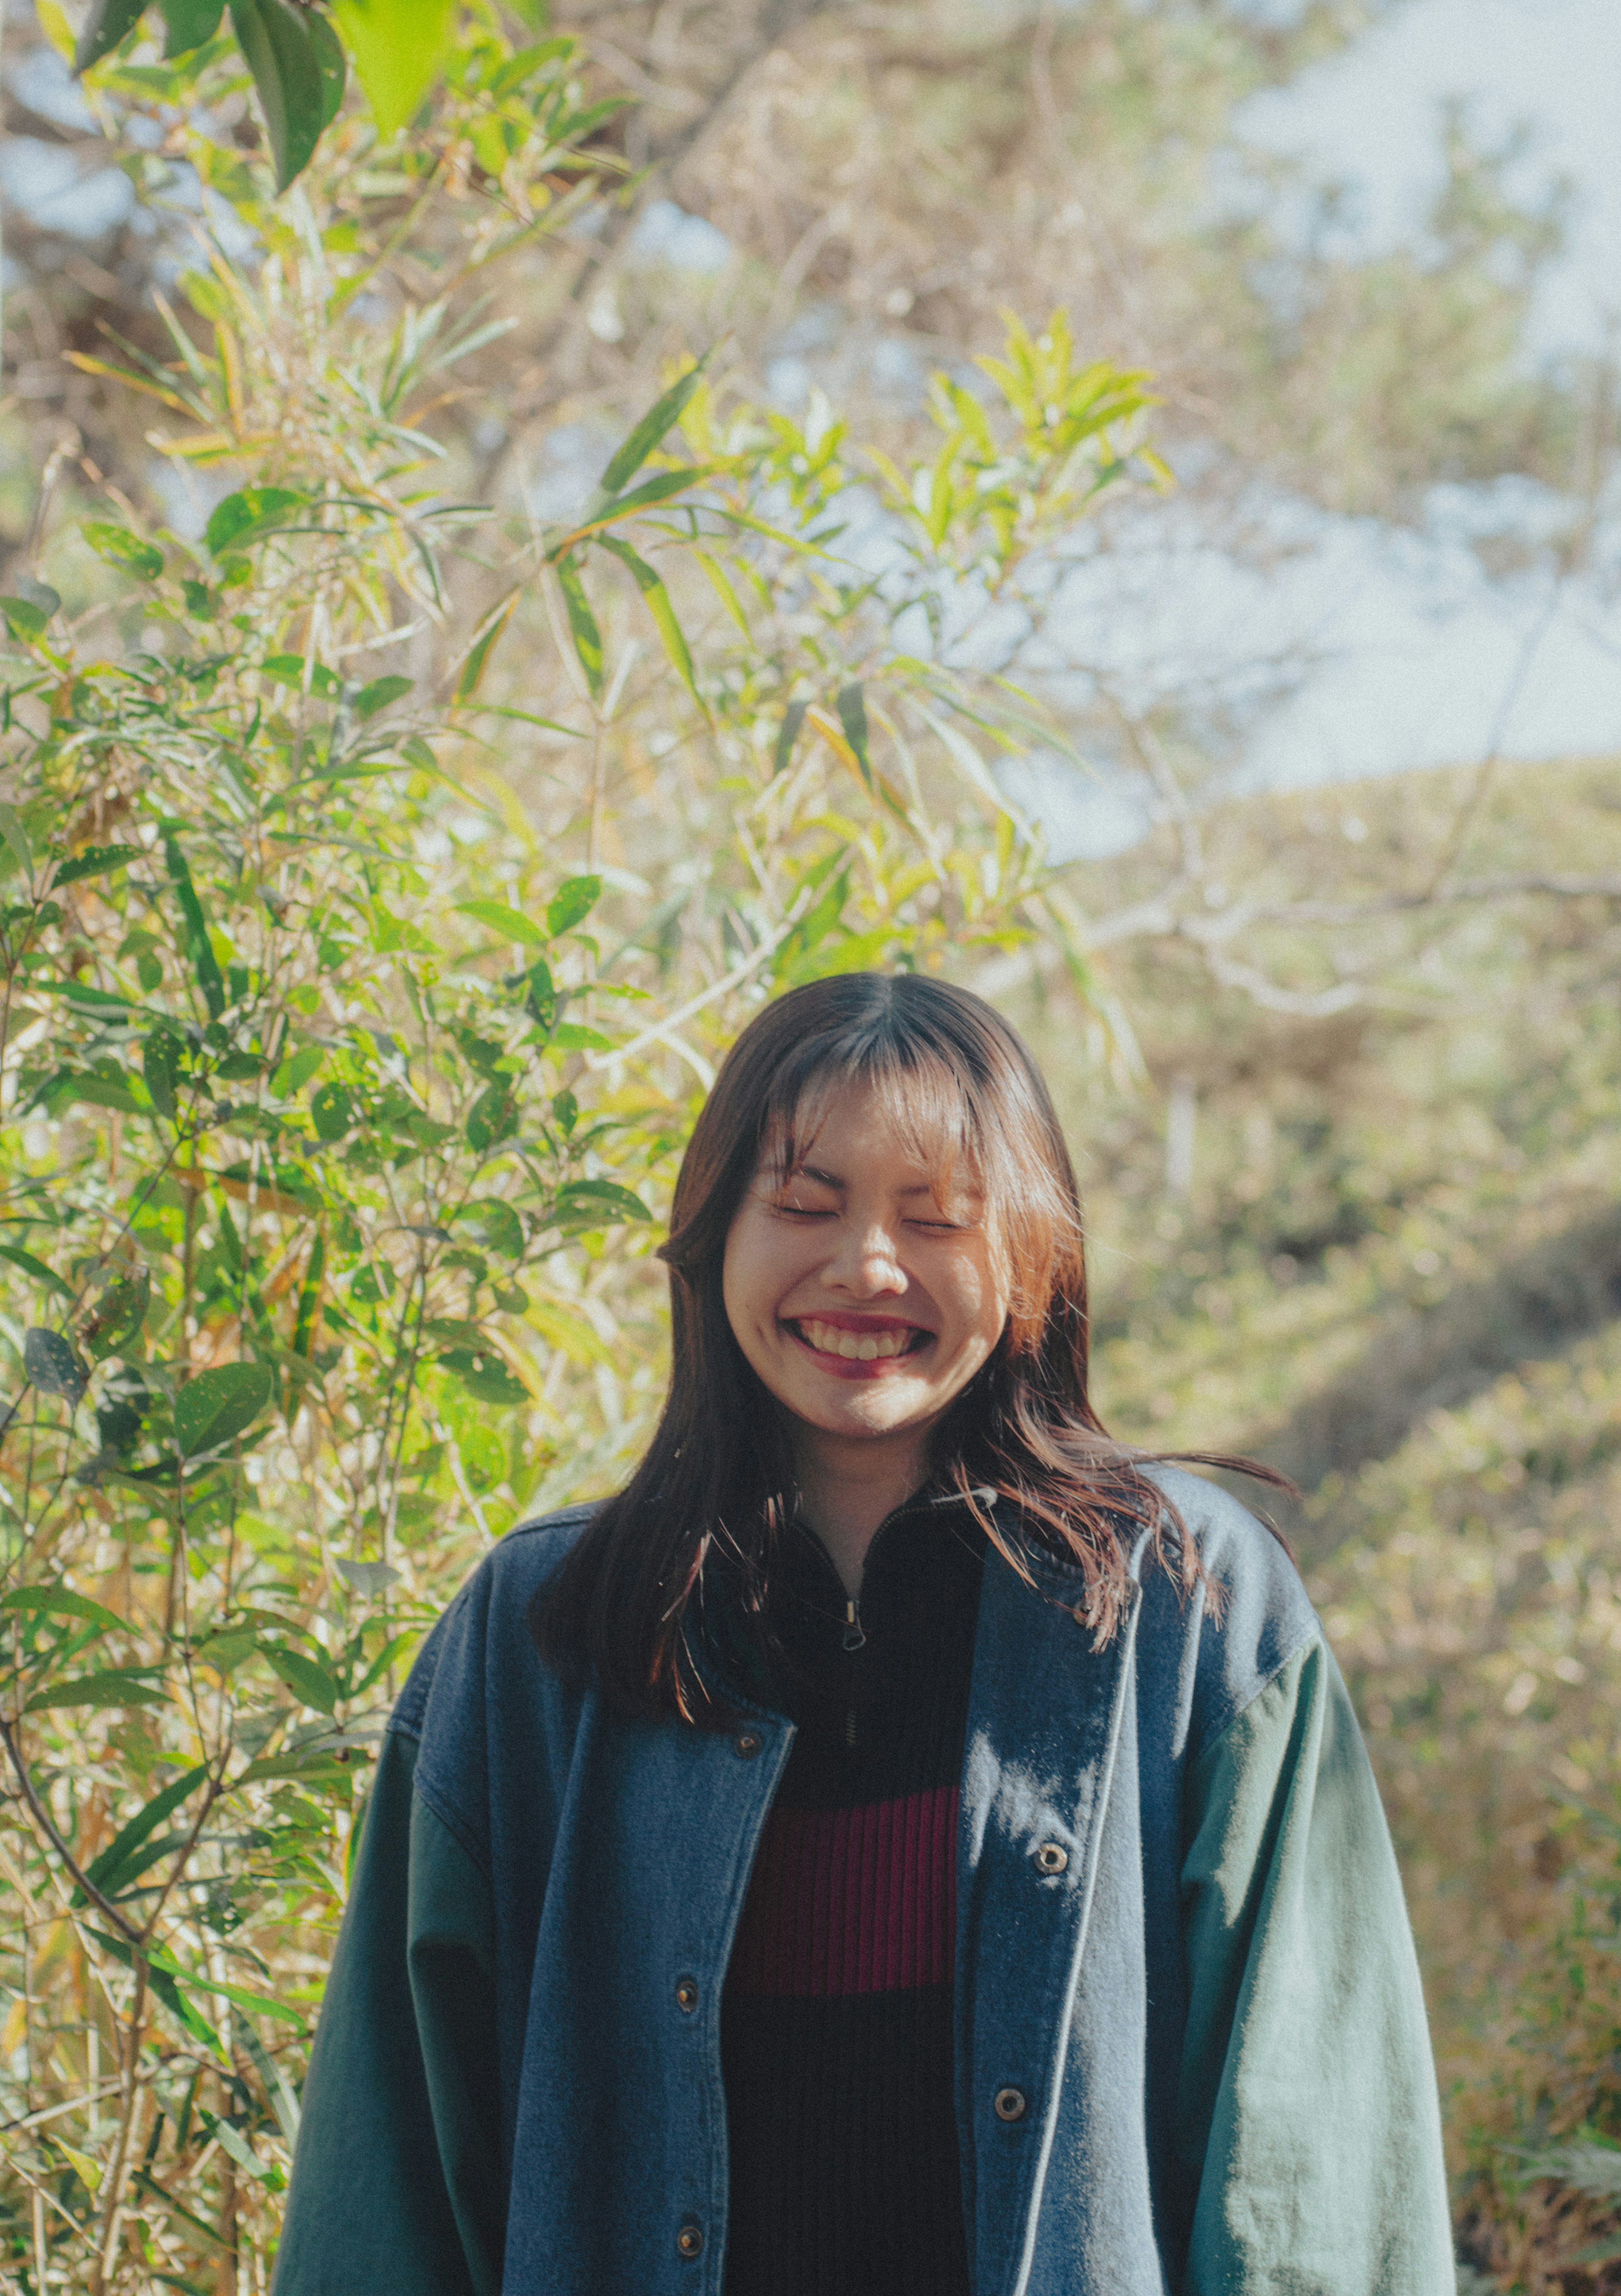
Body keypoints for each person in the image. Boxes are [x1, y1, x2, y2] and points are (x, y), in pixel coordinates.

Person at [271, 972, 1455, 2296]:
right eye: (807, 1205)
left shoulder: (1186, 1609)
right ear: (715, 1233)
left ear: (1029, 1259)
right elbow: (391, 2165)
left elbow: (1311, 2159)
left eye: (937, 1217)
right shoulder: (542, 1637)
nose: (869, 1267)